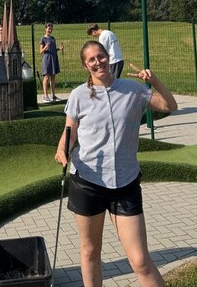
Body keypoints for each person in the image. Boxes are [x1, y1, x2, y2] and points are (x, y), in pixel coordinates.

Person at [54, 40, 177, 287]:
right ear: (85, 66)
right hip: (88, 181)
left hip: (126, 182)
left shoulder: (133, 90)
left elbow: (169, 106)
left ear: (108, 57)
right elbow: (70, 132)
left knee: (140, 260)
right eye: (91, 59)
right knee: (90, 251)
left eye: (101, 56)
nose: (98, 62)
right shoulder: (78, 95)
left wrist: (153, 80)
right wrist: (61, 150)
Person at [40, 22, 63, 102]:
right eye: (49, 29)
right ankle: (45, 96)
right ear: (45, 29)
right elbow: (40, 51)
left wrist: (59, 49)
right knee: (46, 77)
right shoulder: (43, 38)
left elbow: (53, 49)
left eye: (51, 29)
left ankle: (53, 96)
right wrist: (45, 47)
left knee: (53, 77)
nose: (50, 30)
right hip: (47, 60)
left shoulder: (53, 38)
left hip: (53, 59)